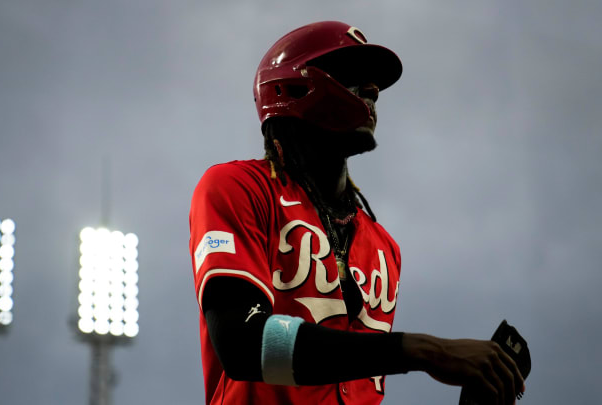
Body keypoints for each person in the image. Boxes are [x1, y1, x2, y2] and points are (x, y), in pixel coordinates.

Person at [189, 21, 524, 405]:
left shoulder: (385, 249)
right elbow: (243, 344)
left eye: (374, 84)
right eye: (351, 77)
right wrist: (427, 351)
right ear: (292, 86)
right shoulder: (236, 187)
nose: (372, 91)